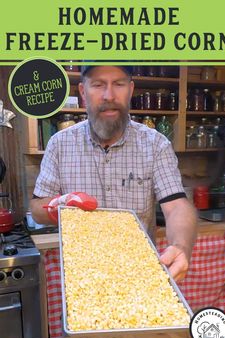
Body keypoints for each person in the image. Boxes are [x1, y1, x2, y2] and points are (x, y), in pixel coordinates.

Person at [30, 65, 197, 282]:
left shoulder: (155, 145)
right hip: (82, 280)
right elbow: (36, 209)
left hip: (140, 277)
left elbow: (176, 206)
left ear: (130, 89)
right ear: (82, 91)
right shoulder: (60, 144)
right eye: (98, 85)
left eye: (118, 84)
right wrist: (61, 204)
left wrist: (180, 247)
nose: (109, 95)